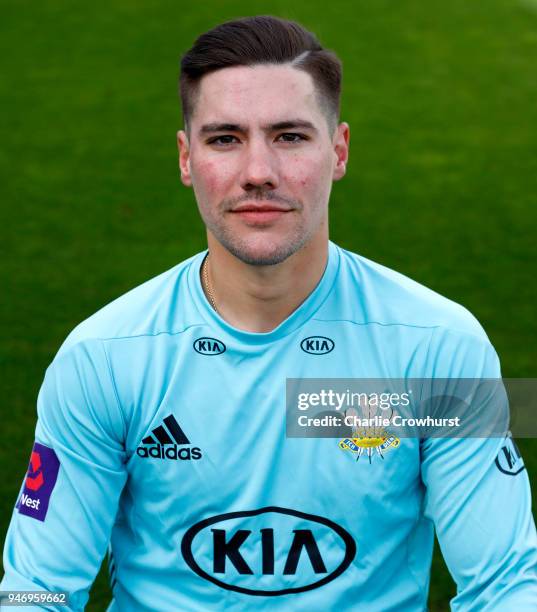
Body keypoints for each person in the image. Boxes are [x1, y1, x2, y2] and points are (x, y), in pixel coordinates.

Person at [1, 15, 536, 611]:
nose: (258, 173)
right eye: (225, 138)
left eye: (289, 137)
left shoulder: (440, 348)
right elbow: (35, 593)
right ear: (186, 158)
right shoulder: (101, 359)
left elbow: (507, 586)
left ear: (338, 151)